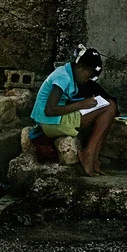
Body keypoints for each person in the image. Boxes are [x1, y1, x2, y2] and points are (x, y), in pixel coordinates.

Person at [31, 45, 118, 176]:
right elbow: (49, 110)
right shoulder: (63, 77)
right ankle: (89, 153)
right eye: (88, 76)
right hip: (50, 122)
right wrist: (81, 105)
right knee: (109, 108)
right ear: (80, 67)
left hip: (56, 119)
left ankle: (93, 155)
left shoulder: (71, 74)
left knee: (111, 105)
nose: (88, 80)